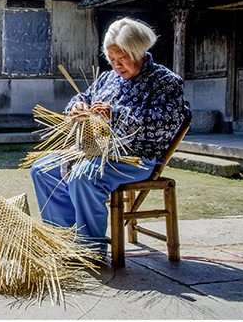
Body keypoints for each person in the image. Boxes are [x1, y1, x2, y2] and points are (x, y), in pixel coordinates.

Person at [31, 17, 189, 258]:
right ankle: (62, 240)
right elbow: (81, 97)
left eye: (122, 58)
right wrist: (76, 108)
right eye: (112, 59)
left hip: (137, 158)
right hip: (94, 151)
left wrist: (117, 114)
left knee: (84, 176)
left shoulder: (165, 81)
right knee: (42, 169)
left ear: (138, 51)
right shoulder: (107, 79)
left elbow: (165, 125)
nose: (116, 65)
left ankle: (90, 250)